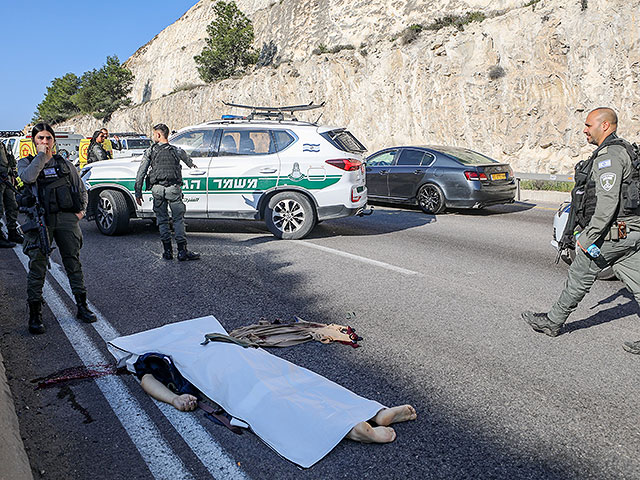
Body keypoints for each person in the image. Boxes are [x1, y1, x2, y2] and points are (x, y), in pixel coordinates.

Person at [522, 107, 640, 353]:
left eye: (588, 125)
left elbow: (607, 204)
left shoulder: (610, 156)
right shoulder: (625, 149)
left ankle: (553, 322)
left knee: (580, 272)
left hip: (614, 233)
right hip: (631, 232)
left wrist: (589, 236)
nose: (585, 130)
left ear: (605, 126)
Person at [137, 353, 417, 444]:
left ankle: (365, 419)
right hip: (241, 372)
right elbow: (147, 379)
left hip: (239, 371)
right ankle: (362, 421)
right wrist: (175, 399)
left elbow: (146, 378)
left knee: (291, 397)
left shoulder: (163, 353)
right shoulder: (159, 356)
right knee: (301, 390)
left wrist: (175, 399)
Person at [17, 123, 97, 334]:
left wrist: (80, 213)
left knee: (74, 263)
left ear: (54, 140)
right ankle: (35, 315)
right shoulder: (25, 163)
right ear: (34, 142)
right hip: (40, 221)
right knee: (37, 267)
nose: (45, 142)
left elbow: (81, 188)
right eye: (40, 139)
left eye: (48, 138)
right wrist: (41, 157)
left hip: (66, 219)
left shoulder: (63, 163)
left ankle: (82, 306)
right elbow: (28, 178)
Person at [134, 123, 200, 261]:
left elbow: (141, 172)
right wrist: (192, 165)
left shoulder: (150, 151)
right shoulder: (176, 150)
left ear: (158, 134)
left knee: (162, 221)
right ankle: (182, 251)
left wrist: (138, 192)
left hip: (157, 189)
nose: (153, 137)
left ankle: (167, 252)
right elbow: (190, 162)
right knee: (178, 220)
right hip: (173, 189)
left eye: (154, 134)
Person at [0, 141, 22, 246]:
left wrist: (12, 172)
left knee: (12, 205)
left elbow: (6, 159)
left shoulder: (2, 144)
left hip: (6, 178)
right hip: (1, 178)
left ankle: (12, 231)